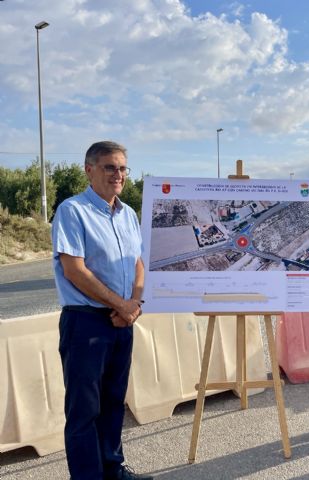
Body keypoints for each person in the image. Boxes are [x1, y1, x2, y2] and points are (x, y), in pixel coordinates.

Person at [52, 141, 152, 479]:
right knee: (84, 411)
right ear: (89, 169)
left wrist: (134, 305)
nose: (118, 175)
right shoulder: (72, 210)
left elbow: (138, 263)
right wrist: (121, 304)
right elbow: (74, 270)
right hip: (86, 323)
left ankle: (113, 468)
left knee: (113, 403)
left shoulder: (129, 214)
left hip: (122, 322)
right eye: (110, 167)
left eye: (123, 168)